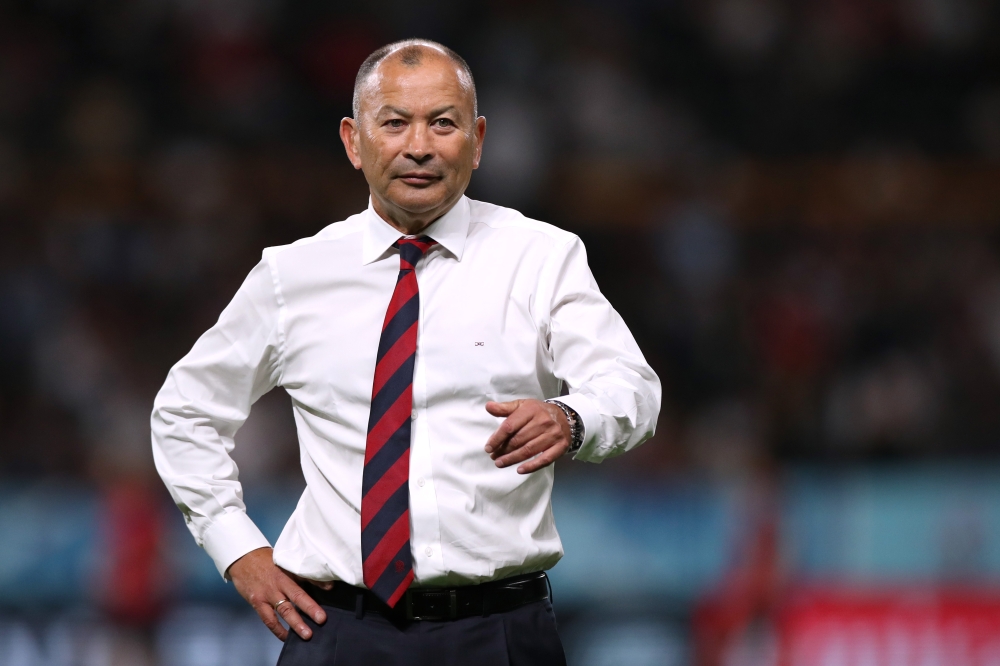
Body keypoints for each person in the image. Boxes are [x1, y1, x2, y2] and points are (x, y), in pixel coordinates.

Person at [151, 38, 660, 665]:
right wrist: (239, 551)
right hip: (337, 630)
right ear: (353, 141)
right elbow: (185, 412)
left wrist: (571, 417)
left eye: (442, 123)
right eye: (394, 122)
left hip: (499, 631)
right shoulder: (292, 276)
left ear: (477, 140)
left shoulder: (542, 258)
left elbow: (631, 387)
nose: (418, 146)